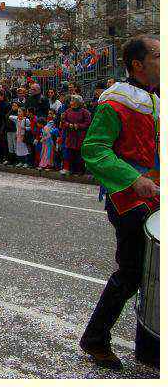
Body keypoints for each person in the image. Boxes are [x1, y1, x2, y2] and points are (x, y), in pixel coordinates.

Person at [79, 35, 160, 370]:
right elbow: (94, 149)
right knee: (132, 272)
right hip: (128, 198)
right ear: (138, 65)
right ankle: (96, 338)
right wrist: (133, 179)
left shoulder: (154, 99)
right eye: (158, 55)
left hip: (154, 194)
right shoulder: (117, 101)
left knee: (150, 272)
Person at [59, 95, 91, 175]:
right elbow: (63, 121)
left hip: (80, 136)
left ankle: (80, 170)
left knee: (79, 154)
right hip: (70, 136)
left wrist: (78, 126)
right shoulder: (68, 111)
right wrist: (68, 124)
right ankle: (71, 169)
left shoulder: (85, 112)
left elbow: (87, 123)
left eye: (72, 101)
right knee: (70, 153)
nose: (71, 103)